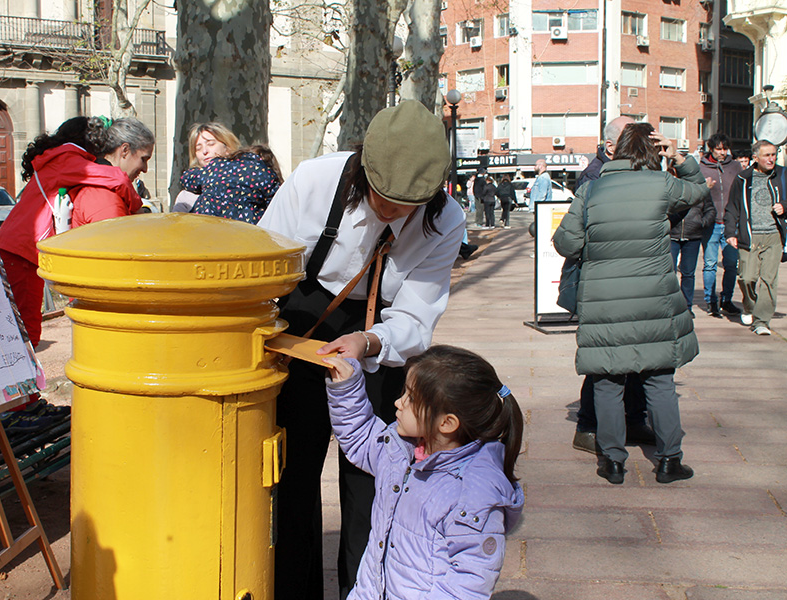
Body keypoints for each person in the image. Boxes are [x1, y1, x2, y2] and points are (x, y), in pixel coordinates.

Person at [256, 100, 465, 600]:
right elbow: (262, 265)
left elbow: (417, 314)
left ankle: (364, 589)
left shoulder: (447, 220)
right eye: (381, 196)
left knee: (373, 479)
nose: (390, 210)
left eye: (406, 203)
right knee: (293, 475)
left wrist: (371, 341)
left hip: (382, 338)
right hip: (305, 323)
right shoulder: (314, 181)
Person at [552, 123, 708, 485]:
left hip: (605, 302)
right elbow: (699, 190)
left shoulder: (591, 190)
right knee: (660, 380)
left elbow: (566, 243)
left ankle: (613, 461)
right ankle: (670, 461)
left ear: (617, 148)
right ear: (654, 150)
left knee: (607, 381)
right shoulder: (662, 184)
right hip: (655, 300)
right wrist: (681, 157)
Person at [323, 346, 524, 599]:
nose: (399, 402)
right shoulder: (402, 450)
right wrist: (347, 386)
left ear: (447, 423)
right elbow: (361, 437)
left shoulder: (472, 495)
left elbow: (468, 585)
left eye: (411, 398)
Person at [0, 116, 151, 428]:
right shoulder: (68, 158)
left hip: (19, 247)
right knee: (24, 331)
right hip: (22, 249)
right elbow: (115, 179)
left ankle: (21, 403)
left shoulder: (58, 159)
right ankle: (15, 408)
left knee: (23, 329)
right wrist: (138, 207)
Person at [570, 115, 652, 456]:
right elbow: (573, 237)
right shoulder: (595, 177)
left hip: (630, 281)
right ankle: (588, 426)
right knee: (604, 360)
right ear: (610, 146)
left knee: (634, 356)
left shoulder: (635, 173)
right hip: (605, 284)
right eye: (630, 136)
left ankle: (633, 418)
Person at [725, 139, 787, 336]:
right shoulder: (743, 179)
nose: (771, 159)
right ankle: (750, 307)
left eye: (774, 154)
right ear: (755, 157)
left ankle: (761, 321)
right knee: (746, 278)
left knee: (769, 280)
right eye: (767, 155)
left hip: (773, 236)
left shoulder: (783, 174)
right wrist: (730, 233)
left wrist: (784, 206)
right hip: (749, 236)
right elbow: (732, 207)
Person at [179, 145, 282, 224]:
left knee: (184, 196)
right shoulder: (266, 174)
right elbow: (277, 205)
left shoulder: (216, 165)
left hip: (206, 224)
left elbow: (187, 178)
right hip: (244, 230)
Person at [698, 133, 743, 317]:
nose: (722, 152)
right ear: (711, 149)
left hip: (731, 224)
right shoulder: (701, 168)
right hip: (710, 224)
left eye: (725, 148)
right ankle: (711, 301)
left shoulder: (735, 166)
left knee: (731, 264)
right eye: (719, 149)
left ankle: (727, 299)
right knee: (710, 264)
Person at [171, 122, 241, 212]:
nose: (204, 151)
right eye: (198, 148)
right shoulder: (186, 197)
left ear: (227, 148)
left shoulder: (247, 180)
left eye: (211, 144)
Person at [669, 189, 715, 313]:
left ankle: (686, 306)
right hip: (672, 235)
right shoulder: (671, 186)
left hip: (693, 236)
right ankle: (671, 305)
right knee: (670, 273)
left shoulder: (700, 189)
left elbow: (710, 209)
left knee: (688, 273)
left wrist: (702, 223)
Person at [576, 115, 635, 190]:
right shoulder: (593, 176)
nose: (639, 146)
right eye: (631, 142)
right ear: (610, 147)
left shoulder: (638, 166)